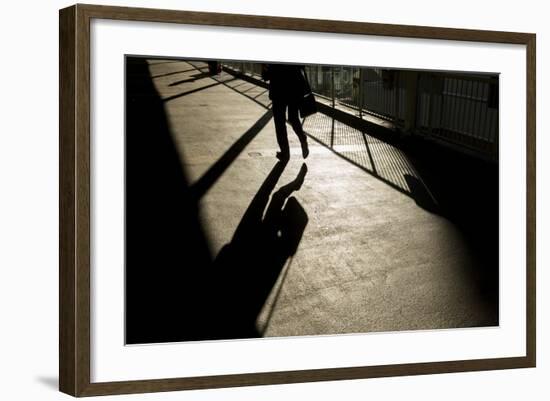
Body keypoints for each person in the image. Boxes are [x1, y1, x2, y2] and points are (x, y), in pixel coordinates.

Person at [262, 63, 309, 161]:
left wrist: (265, 68)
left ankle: (285, 153)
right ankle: (302, 138)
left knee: (280, 123)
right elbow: (302, 65)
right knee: (293, 117)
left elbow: (266, 75)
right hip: (295, 87)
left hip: (278, 89)